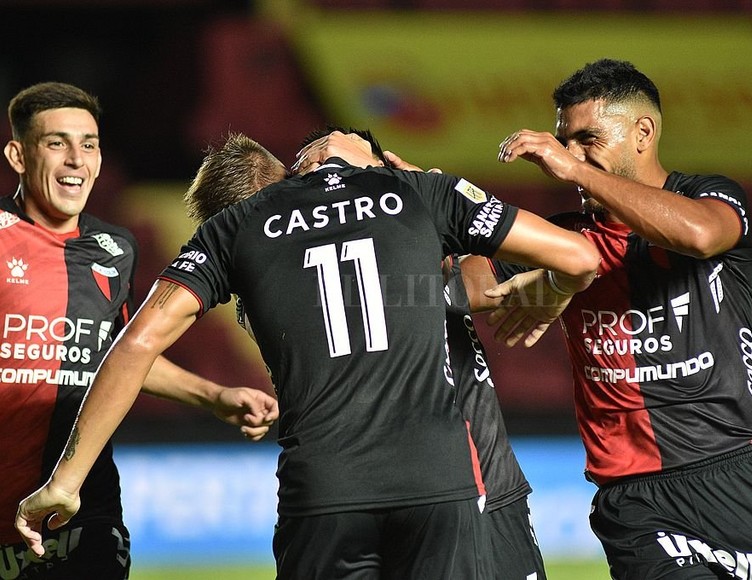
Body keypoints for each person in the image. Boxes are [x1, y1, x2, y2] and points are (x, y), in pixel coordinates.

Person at [15, 126, 600, 579]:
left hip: (327, 487)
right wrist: (552, 290)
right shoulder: (414, 196)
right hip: (447, 478)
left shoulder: (240, 234)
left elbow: (135, 342)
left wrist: (66, 480)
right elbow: (568, 259)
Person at [460, 58, 752, 579]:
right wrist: (440, 202)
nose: (567, 156)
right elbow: (461, 287)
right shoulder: (563, 241)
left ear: (643, 133)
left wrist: (577, 170)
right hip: (635, 497)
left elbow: (700, 235)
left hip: (741, 474)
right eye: (565, 142)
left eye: (588, 139)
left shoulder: (711, 197)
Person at [188, 129, 548, 579]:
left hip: (409, 488)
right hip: (451, 486)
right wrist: (438, 194)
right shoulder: (384, 254)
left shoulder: (268, 286)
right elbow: (526, 263)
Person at [0, 81, 279, 579]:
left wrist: (213, 395)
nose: (76, 159)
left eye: (89, 144)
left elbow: (121, 354)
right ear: (18, 156)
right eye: (57, 143)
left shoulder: (115, 249)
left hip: (83, 506)